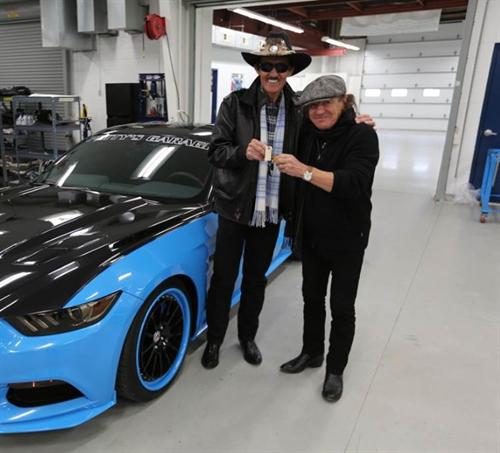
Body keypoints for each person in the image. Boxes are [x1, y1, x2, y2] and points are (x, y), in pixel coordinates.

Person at [201, 32, 312, 369]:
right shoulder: (234, 104)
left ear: (290, 70)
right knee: (223, 277)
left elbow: (324, 136)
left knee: (255, 279)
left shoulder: (299, 109)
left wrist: (357, 125)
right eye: (267, 66)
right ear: (258, 69)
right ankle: (215, 340)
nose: (273, 73)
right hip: (235, 208)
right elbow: (215, 152)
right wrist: (240, 151)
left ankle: (247, 337)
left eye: (280, 66)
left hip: (273, 211)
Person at [274, 75, 379, 402]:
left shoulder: (363, 136)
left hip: (348, 238)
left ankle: (335, 370)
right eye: (313, 106)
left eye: (326, 103)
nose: (319, 111)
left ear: (344, 102)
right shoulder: (309, 133)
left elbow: (353, 183)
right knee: (311, 298)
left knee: (342, 306)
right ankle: (312, 352)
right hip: (314, 235)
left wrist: (304, 171)